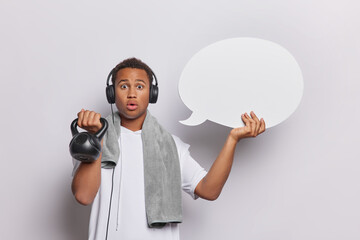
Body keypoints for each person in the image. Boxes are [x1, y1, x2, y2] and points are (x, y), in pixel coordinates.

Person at [71, 57, 266, 240]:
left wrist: (232, 140)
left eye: (140, 86)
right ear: (112, 94)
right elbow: (83, 196)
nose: (131, 93)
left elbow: (209, 190)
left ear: (152, 93)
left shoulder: (171, 146)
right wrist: (96, 139)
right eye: (123, 86)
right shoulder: (92, 141)